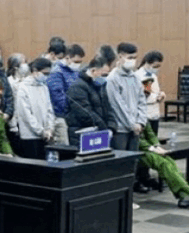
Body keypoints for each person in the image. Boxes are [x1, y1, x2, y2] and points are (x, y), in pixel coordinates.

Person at [135, 83, 189, 209]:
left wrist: (157, 145)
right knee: (163, 164)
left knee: (170, 161)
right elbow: (135, 138)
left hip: (147, 147)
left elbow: (150, 133)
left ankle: (183, 197)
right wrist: (152, 148)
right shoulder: (130, 111)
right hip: (136, 149)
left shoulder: (141, 111)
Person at [107, 42, 148, 191]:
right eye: (130, 57)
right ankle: (118, 194)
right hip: (120, 129)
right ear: (120, 57)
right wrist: (132, 124)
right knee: (119, 164)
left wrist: (141, 122)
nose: (133, 60)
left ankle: (129, 193)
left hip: (135, 128)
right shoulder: (112, 78)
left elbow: (142, 101)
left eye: (135, 57)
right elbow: (118, 105)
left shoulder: (135, 77)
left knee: (133, 163)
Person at [65, 56, 113, 147]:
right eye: (104, 75)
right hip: (82, 133)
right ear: (93, 71)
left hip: (99, 131)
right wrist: (103, 128)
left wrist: (111, 126)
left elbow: (108, 107)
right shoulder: (77, 87)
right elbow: (85, 112)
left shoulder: (100, 86)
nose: (105, 78)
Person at [14, 58, 55, 160]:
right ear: (35, 71)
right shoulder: (23, 87)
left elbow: (49, 109)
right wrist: (40, 131)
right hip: (30, 136)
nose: (46, 76)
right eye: (44, 73)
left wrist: (50, 128)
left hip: (46, 135)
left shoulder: (44, 87)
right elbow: (26, 114)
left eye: (48, 74)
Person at [46, 43, 84, 145]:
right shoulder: (56, 72)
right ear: (67, 58)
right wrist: (70, 111)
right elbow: (58, 97)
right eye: (76, 61)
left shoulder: (75, 71)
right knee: (65, 147)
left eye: (80, 62)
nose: (78, 64)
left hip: (74, 115)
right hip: (62, 116)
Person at [135, 50, 165, 137]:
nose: (157, 69)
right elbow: (141, 96)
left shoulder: (153, 76)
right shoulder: (138, 76)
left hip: (154, 114)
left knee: (154, 139)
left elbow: (155, 91)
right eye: (155, 66)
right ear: (147, 63)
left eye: (158, 66)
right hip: (145, 115)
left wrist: (161, 95)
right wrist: (155, 97)